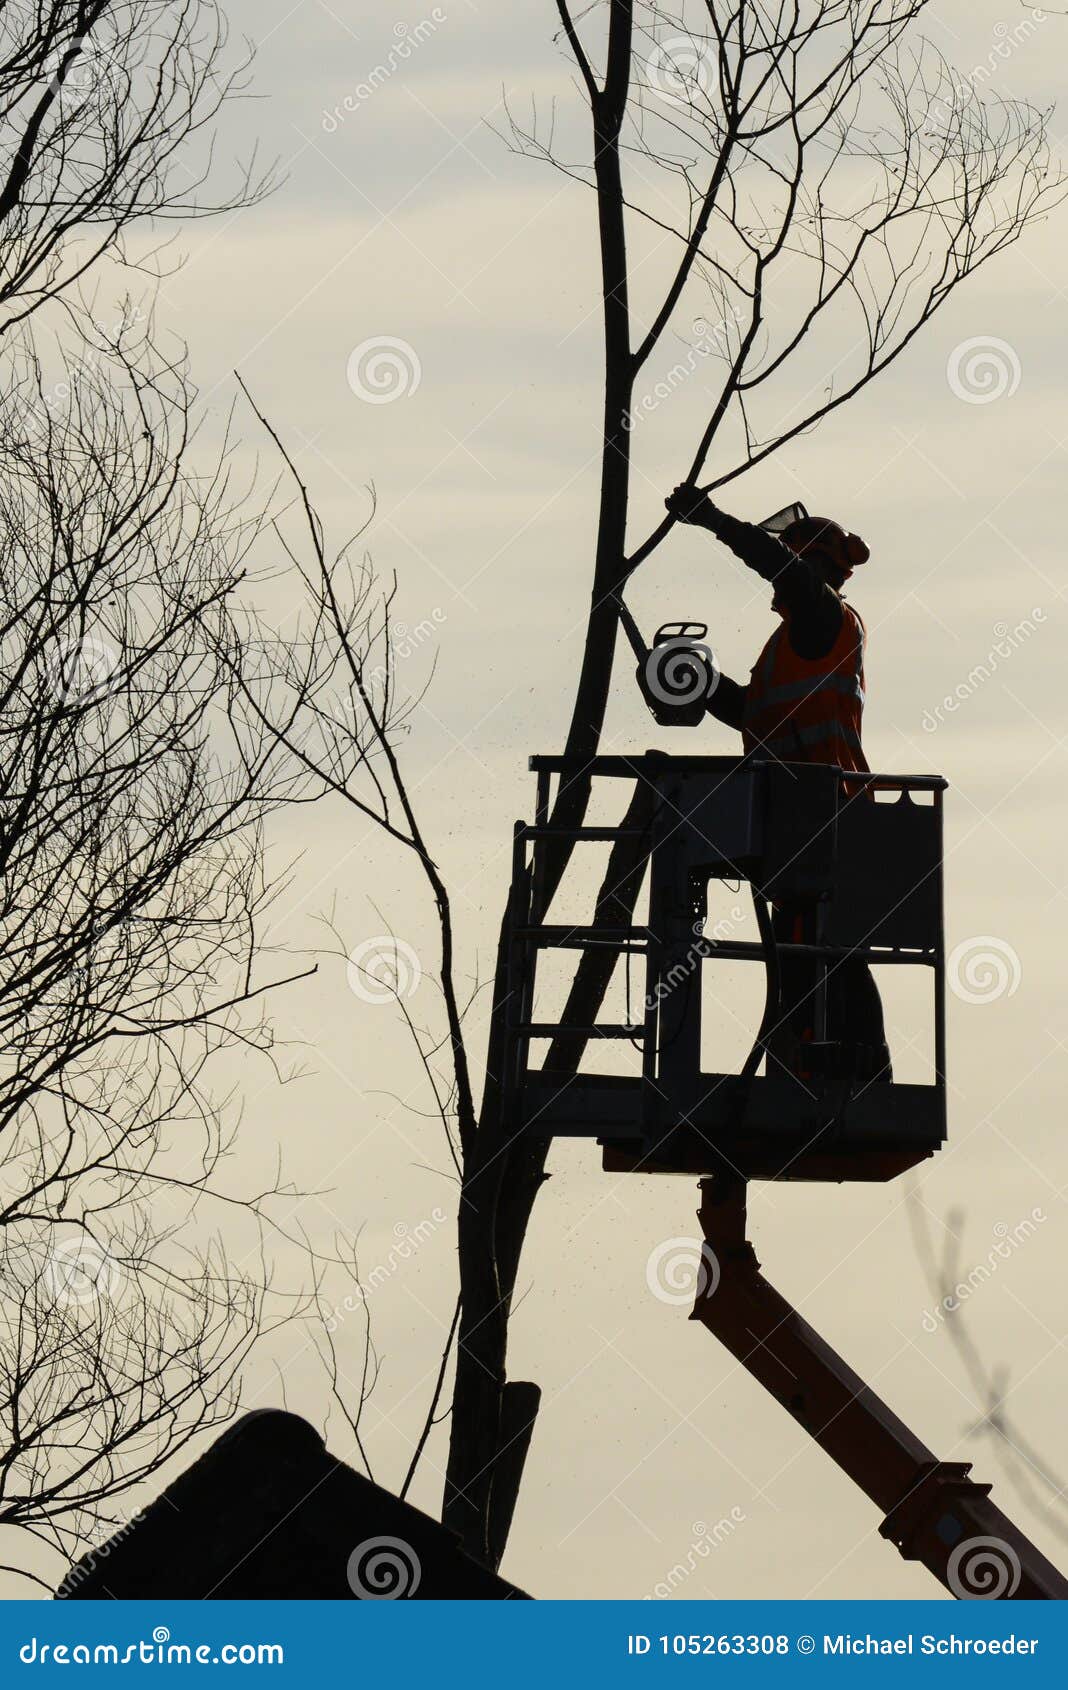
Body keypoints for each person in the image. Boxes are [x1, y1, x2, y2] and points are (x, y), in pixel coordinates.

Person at [664, 483, 891, 1085]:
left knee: (818, 952)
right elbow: (756, 713)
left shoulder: (823, 616)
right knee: (813, 953)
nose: (776, 581)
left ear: (811, 564)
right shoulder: (794, 644)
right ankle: (829, 1067)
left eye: (789, 563)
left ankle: (828, 1074)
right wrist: (703, 684)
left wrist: (711, 519)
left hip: (825, 812)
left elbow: (778, 567)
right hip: (801, 815)